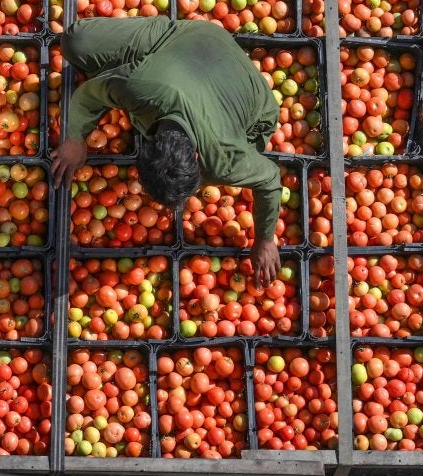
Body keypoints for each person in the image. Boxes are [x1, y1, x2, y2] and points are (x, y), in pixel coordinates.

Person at [50, 17, 282, 284]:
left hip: (239, 84)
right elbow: (89, 93)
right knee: (74, 42)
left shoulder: (226, 159)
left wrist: (265, 239)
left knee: (242, 150)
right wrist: (75, 138)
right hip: (186, 38)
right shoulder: (138, 88)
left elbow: (270, 179)